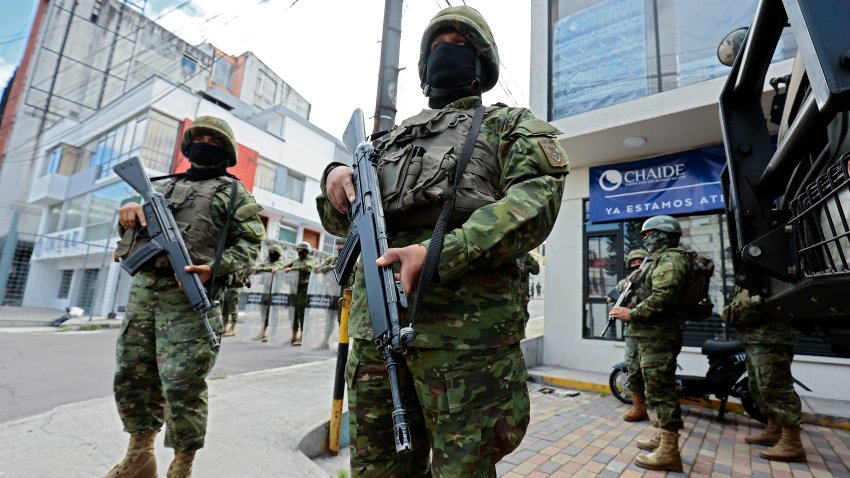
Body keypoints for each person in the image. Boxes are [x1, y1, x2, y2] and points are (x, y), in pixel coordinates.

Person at [317, 6, 569, 476]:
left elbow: (535, 204)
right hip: (377, 334)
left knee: (463, 469)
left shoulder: (510, 125)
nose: (445, 53)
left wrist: (438, 253)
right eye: (437, 45)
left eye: (459, 45)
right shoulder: (387, 140)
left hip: (466, 339)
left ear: (482, 61)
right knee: (376, 467)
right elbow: (342, 221)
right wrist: (335, 180)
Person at [107, 116, 264, 478]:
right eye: (200, 137)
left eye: (214, 139)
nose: (205, 144)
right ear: (188, 146)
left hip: (190, 301)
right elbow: (136, 235)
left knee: (183, 385)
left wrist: (215, 268)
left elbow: (252, 246)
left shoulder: (235, 194)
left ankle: (181, 465)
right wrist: (128, 214)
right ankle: (140, 453)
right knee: (133, 374)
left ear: (226, 151)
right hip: (144, 295)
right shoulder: (159, 188)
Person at [609, 215, 689, 472]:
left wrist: (630, 314)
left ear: (663, 233)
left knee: (661, 389)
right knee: (656, 387)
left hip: (659, 336)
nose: (645, 239)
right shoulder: (658, 260)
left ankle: (669, 451)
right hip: (650, 335)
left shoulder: (672, 259)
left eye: (649, 233)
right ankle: (664, 438)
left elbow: (663, 298)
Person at [721, 286, 806, 462]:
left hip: (771, 338)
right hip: (755, 338)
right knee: (758, 387)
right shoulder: (754, 270)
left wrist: (732, 313)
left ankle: (792, 443)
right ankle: (774, 430)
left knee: (775, 388)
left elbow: (754, 306)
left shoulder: (771, 268)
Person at [611, 248, 650, 422]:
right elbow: (613, 299)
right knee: (633, 370)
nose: (636, 264)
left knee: (653, 372)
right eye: (633, 262)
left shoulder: (652, 280)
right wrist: (618, 308)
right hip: (632, 333)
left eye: (639, 261)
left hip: (652, 333)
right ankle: (639, 407)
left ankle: (662, 412)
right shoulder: (625, 283)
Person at [283, 241, 317, 345]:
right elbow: (284, 267)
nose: (299, 251)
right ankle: (294, 335)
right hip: (293, 288)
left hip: (304, 288)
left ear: (306, 251)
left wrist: (292, 269)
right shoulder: (296, 261)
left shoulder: (310, 260)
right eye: (298, 249)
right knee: (292, 312)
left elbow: (308, 268)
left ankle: (303, 336)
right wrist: (278, 269)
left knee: (302, 312)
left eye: (301, 249)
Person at [252, 244, 287, 342]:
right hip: (266, 290)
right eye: (270, 252)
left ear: (278, 254)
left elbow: (277, 269)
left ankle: (272, 334)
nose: (271, 254)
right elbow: (258, 268)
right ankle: (262, 333)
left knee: (273, 314)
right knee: (262, 312)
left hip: (275, 291)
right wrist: (258, 269)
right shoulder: (266, 263)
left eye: (274, 252)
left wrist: (263, 269)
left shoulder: (281, 264)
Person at [518, 252, 540, 326]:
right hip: (507, 290)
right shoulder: (507, 254)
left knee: (523, 313)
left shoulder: (526, 256)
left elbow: (536, 270)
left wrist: (527, 268)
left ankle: (521, 332)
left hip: (522, 290)